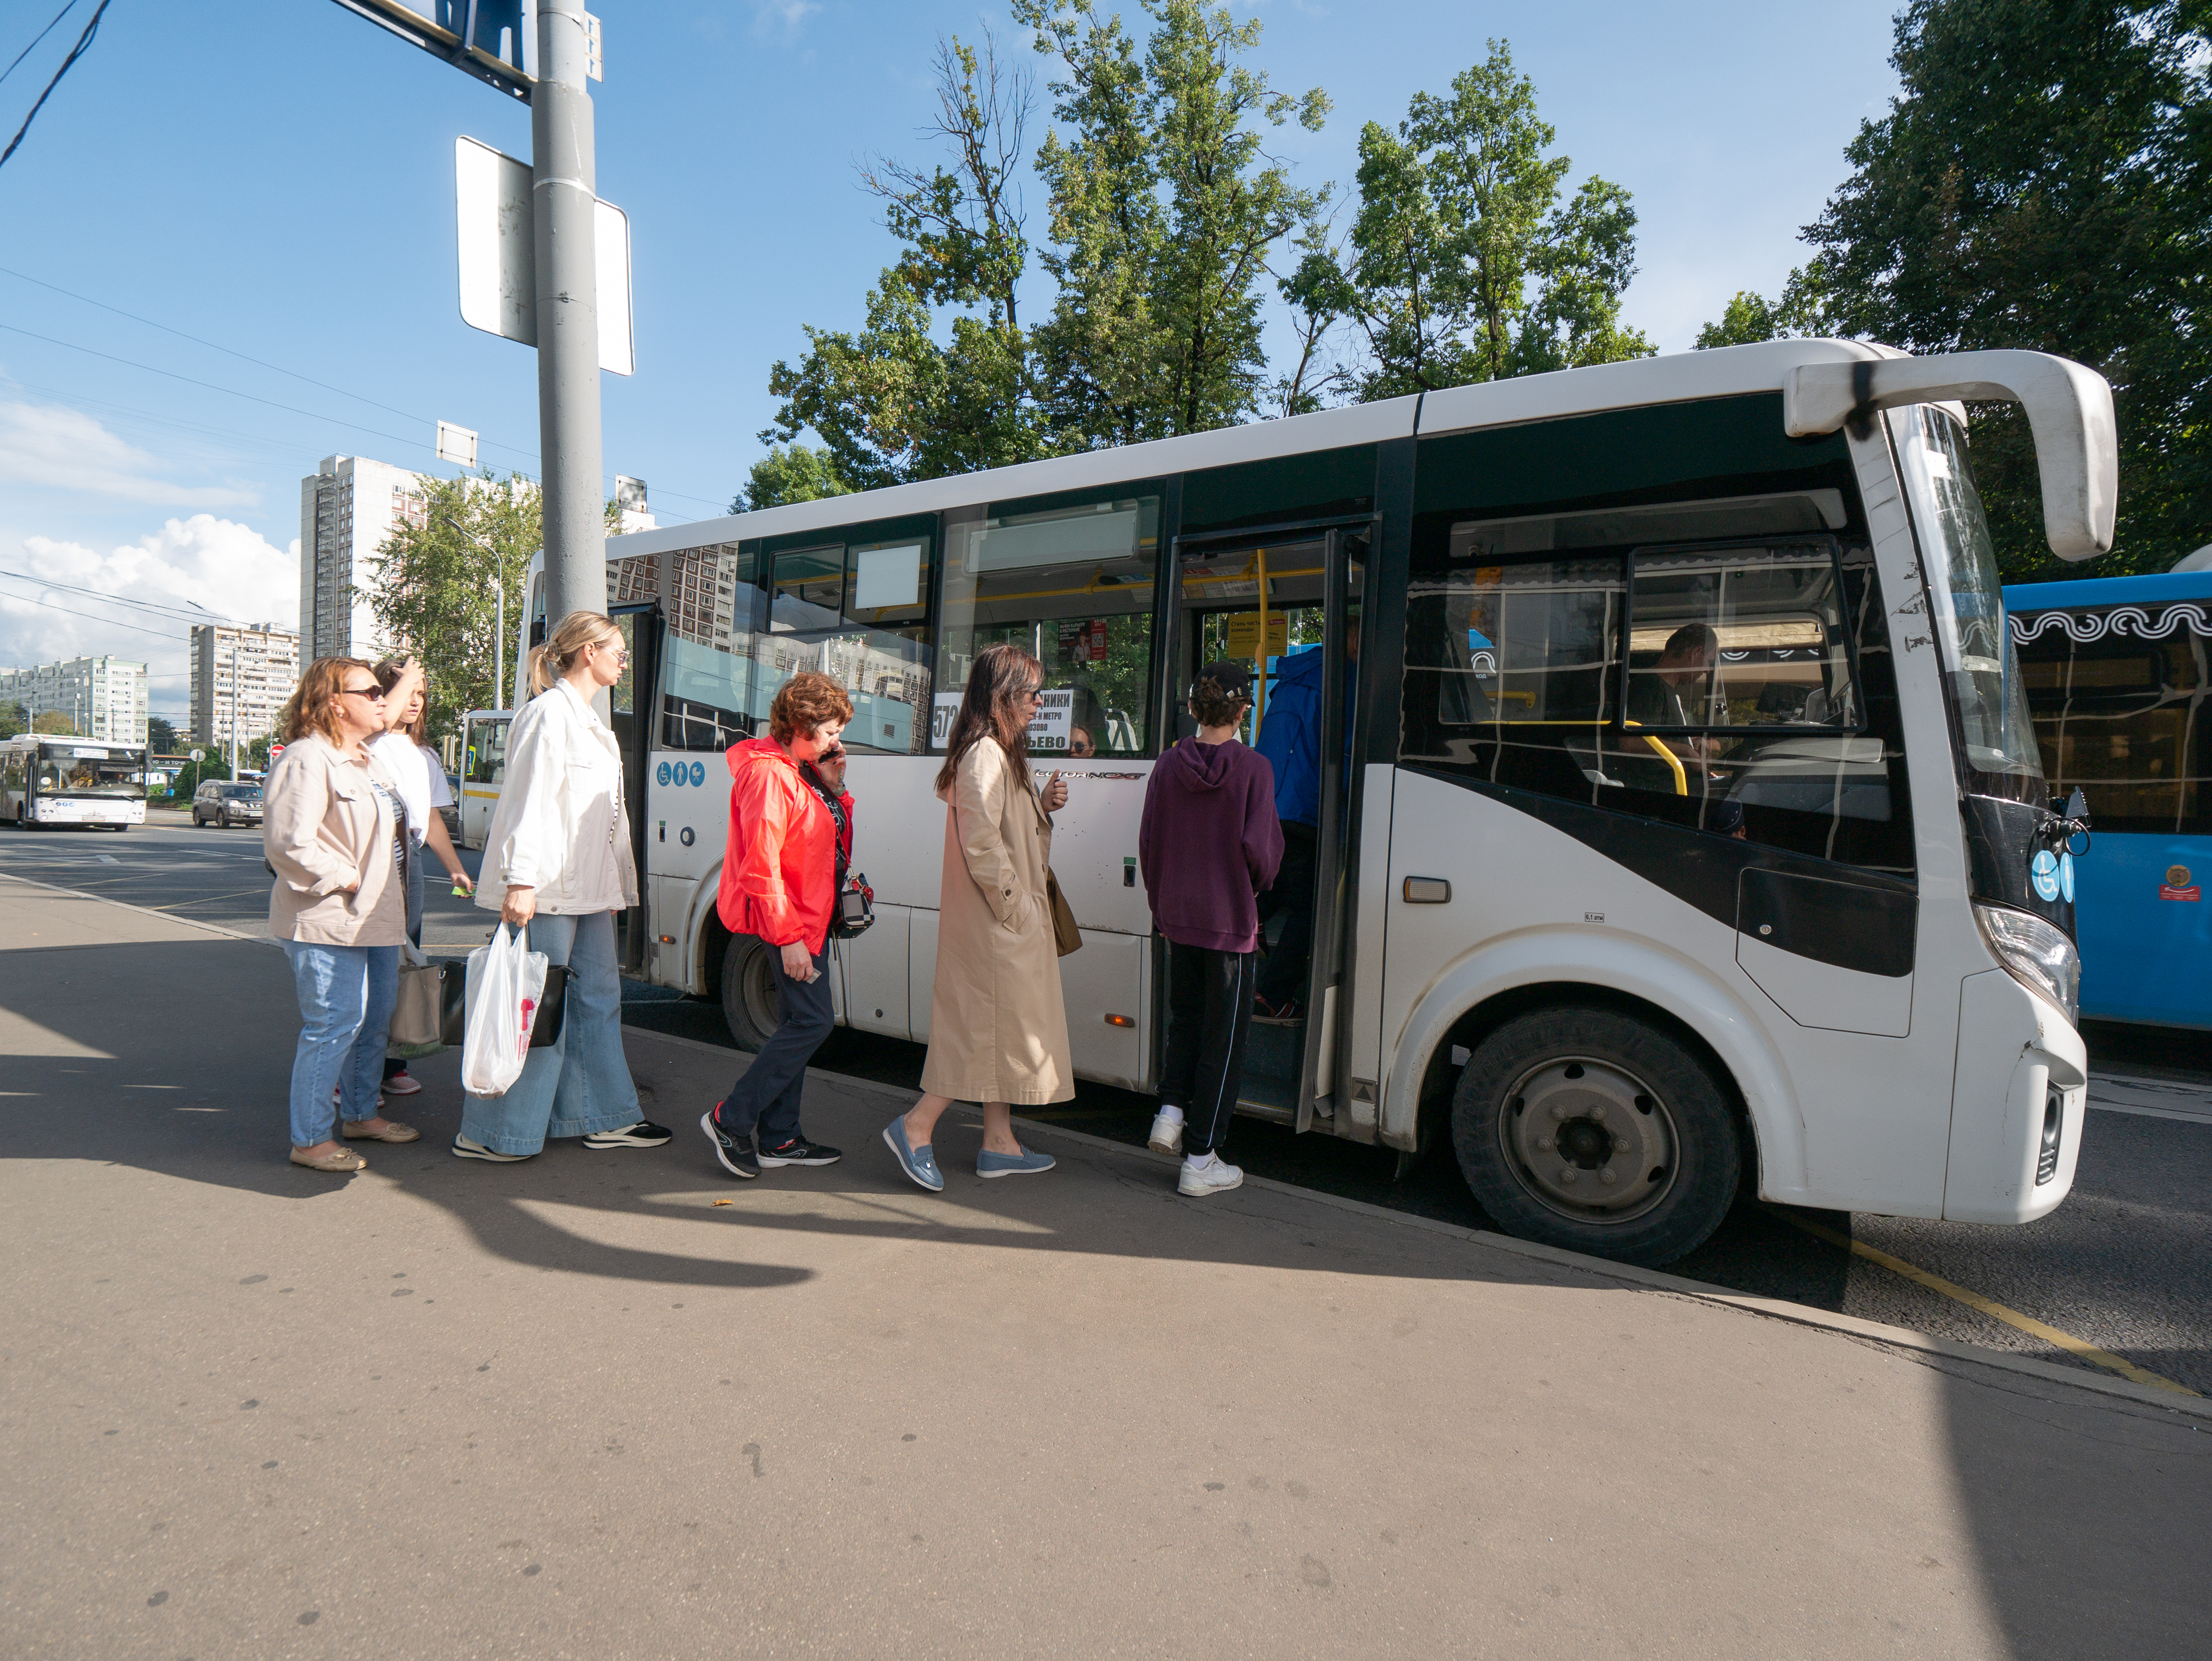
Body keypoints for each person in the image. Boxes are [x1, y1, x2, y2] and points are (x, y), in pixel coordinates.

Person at [456, 612, 670, 1161]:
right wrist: (520, 881)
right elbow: (529, 802)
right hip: (547, 888)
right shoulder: (547, 715)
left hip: (591, 890)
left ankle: (602, 1115)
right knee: (533, 1007)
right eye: (617, 651)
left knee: (598, 1000)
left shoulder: (589, 722)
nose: (624, 660)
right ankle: (494, 1132)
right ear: (587, 652)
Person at [885, 644, 1070, 1191]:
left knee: (1000, 1032)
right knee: (979, 1032)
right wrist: (1016, 909)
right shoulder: (986, 754)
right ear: (1002, 696)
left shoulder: (994, 751)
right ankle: (915, 1127)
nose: (1039, 702)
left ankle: (998, 1142)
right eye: (1031, 692)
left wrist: (1040, 801)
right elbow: (982, 843)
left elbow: (996, 826)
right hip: (998, 922)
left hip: (1000, 920)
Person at [263, 656, 418, 1172]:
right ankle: (309, 1140)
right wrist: (348, 878)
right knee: (332, 1025)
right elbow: (287, 845)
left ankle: (359, 1114)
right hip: (330, 917)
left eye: (383, 693)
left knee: (374, 1022)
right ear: (335, 702)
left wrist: (411, 678)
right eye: (370, 692)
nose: (382, 700)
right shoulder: (308, 758)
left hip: (374, 918)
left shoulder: (363, 757)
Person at [698, 672, 855, 1180]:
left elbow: (831, 839)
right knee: (811, 1022)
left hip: (806, 921)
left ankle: (780, 1137)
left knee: (798, 1023)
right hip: (790, 924)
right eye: (830, 730)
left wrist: (835, 786)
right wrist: (787, 937)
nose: (837, 741)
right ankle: (732, 1118)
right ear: (799, 725)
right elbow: (759, 867)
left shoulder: (798, 769)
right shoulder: (769, 775)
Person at [1138, 660, 1283, 1197]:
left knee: (1184, 1021)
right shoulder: (1254, 769)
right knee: (1223, 1041)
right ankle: (1200, 1158)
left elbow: (1149, 843)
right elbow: (1261, 855)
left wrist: (1163, 906)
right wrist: (1252, 887)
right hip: (1228, 923)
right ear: (1242, 709)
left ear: (1195, 710)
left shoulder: (1167, 765)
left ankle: (1169, 1114)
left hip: (1178, 917)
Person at [368, 657, 475, 1097]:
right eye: (407, 692)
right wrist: (402, 683)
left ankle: (390, 1063)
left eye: (421, 693)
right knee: (372, 967)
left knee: (404, 964)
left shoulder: (424, 754)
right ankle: (356, 1073)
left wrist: (455, 868)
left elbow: (429, 819)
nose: (416, 702)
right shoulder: (368, 742)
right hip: (375, 858)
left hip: (408, 861)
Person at [1252, 620, 1358, 1025]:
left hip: (1269, 805)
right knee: (1312, 908)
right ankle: (1272, 995)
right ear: (1353, 642)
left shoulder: (1295, 676)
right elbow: (1346, 755)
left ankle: (1256, 909)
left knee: (1284, 877)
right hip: (1306, 808)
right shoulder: (1344, 684)